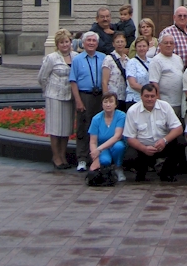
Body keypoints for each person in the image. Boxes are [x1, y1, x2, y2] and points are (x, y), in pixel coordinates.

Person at [123, 83, 183, 182]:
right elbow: (129, 138)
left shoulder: (165, 106)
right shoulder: (132, 111)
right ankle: (141, 173)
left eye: (152, 96)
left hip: (162, 145)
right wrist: (144, 148)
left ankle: (166, 173)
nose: (149, 99)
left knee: (180, 142)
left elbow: (178, 128)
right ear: (141, 96)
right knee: (129, 155)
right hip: (142, 148)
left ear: (157, 96)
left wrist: (164, 140)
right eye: (146, 96)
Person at [38, 28, 77, 169]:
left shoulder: (75, 56)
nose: (65, 45)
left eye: (66, 42)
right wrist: (49, 90)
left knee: (66, 128)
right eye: (61, 42)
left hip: (69, 96)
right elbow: (42, 77)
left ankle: (63, 154)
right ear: (57, 44)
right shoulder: (51, 58)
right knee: (55, 128)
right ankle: (56, 157)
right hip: (54, 96)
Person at [69, 31, 106, 172]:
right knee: (83, 128)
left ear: (97, 43)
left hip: (100, 96)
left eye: (93, 40)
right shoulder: (77, 59)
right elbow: (73, 81)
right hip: (84, 96)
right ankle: (82, 159)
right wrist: (78, 101)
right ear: (83, 43)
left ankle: (96, 158)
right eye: (88, 40)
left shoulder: (103, 58)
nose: (91, 43)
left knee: (99, 128)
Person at [88, 93, 127, 183]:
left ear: (116, 104)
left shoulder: (121, 116)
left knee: (119, 147)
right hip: (102, 147)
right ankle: (108, 170)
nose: (108, 104)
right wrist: (95, 158)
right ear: (102, 104)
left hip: (115, 144)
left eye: (111, 102)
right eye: (105, 102)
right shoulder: (96, 119)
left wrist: (99, 149)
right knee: (105, 161)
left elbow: (117, 136)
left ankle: (118, 168)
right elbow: (93, 142)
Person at [149, 33, 184, 118]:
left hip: (179, 102)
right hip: (165, 103)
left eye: (171, 43)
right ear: (160, 45)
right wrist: (159, 103)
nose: (169, 45)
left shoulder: (178, 59)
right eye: (166, 43)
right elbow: (154, 83)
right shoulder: (156, 60)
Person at [102, 32, 128, 110]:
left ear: (125, 43)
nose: (120, 44)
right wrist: (106, 99)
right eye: (117, 42)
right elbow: (104, 81)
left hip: (124, 96)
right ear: (113, 44)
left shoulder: (128, 60)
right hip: (112, 96)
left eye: (122, 42)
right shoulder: (108, 59)